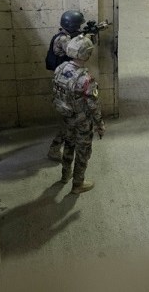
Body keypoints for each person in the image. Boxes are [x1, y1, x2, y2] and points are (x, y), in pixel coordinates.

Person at [52, 34, 105, 194]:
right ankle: (78, 184)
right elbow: (93, 106)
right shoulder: (85, 79)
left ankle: (65, 175)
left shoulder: (60, 69)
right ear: (87, 55)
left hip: (65, 116)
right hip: (82, 121)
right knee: (83, 151)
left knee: (68, 145)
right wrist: (100, 124)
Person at [47, 10, 86, 161]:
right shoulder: (62, 40)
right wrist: (86, 39)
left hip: (65, 78)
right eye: (77, 26)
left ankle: (59, 146)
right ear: (71, 26)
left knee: (69, 119)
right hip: (64, 81)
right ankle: (55, 149)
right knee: (69, 120)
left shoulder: (66, 35)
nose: (79, 29)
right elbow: (76, 52)